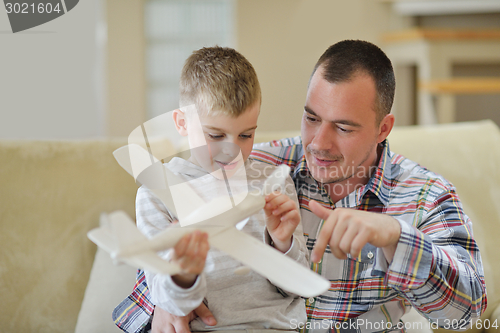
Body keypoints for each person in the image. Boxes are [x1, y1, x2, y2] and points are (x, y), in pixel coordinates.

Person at [117, 40, 487, 332]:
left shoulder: (425, 195)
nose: (319, 143)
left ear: (383, 128)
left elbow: (466, 312)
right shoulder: (255, 166)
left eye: (343, 127)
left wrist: (395, 237)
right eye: (311, 118)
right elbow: (159, 257)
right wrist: (164, 302)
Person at [113, 46, 309, 333]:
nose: (232, 150)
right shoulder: (157, 192)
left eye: (246, 135)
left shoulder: (274, 184)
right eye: (215, 135)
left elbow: (299, 287)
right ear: (182, 123)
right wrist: (183, 274)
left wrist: (282, 243)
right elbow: (167, 303)